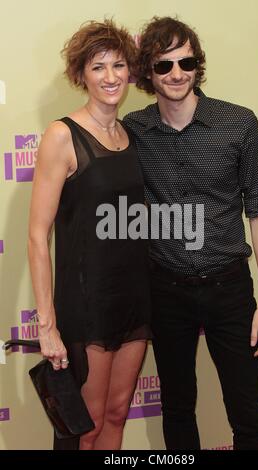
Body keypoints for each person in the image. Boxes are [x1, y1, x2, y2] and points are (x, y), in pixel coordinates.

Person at [124, 16, 258, 450]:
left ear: (198, 65)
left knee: (248, 413)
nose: (176, 73)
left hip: (229, 288)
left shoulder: (238, 123)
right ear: (147, 73)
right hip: (165, 290)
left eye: (186, 62)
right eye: (163, 65)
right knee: (176, 409)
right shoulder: (133, 131)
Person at [28, 20, 151, 451]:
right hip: (87, 303)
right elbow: (36, 235)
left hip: (135, 298)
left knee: (117, 414)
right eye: (98, 67)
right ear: (81, 74)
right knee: (88, 423)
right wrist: (47, 325)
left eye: (119, 65)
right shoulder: (62, 136)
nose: (111, 76)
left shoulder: (132, 135)